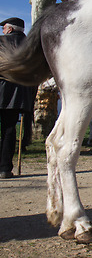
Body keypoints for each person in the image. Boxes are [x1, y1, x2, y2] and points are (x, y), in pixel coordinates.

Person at [0, 18, 32, 179]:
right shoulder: (31, 46)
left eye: (4, 28)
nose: (3, 31)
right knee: (9, 129)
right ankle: (5, 168)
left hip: (1, 90)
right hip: (20, 94)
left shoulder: (2, 42)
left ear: (10, 30)